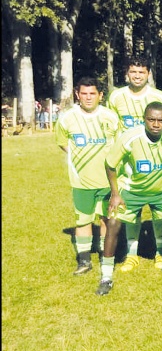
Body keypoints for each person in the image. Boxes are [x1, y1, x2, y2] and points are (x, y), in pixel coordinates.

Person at [96, 102, 162, 295]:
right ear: (144, 119)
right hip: (132, 190)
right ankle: (106, 276)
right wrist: (115, 194)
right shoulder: (129, 138)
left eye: (160, 120)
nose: (156, 124)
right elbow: (110, 164)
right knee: (113, 224)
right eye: (151, 119)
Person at [106, 56, 162, 273]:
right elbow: (112, 127)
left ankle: (161, 252)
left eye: (141, 72)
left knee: (158, 209)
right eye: (133, 71)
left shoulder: (159, 97)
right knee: (130, 208)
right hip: (127, 161)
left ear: (148, 74)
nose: (137, 76)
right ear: (127, 73)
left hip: (154, 159)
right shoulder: (116, 97)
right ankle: (131, 254)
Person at [55, 77, 119, 275]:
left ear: (100, 95)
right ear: (77, 94)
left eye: (93, 94)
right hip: (81, 180)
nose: (88, 98)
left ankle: (104, 254)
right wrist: (78, 158)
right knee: (82, 220)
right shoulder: (67, 118)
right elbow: (61, 142)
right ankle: (84, 260)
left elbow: (118, 146)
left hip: (107, 181)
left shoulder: (110, 117)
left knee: (106, 219)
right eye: (84, 93)